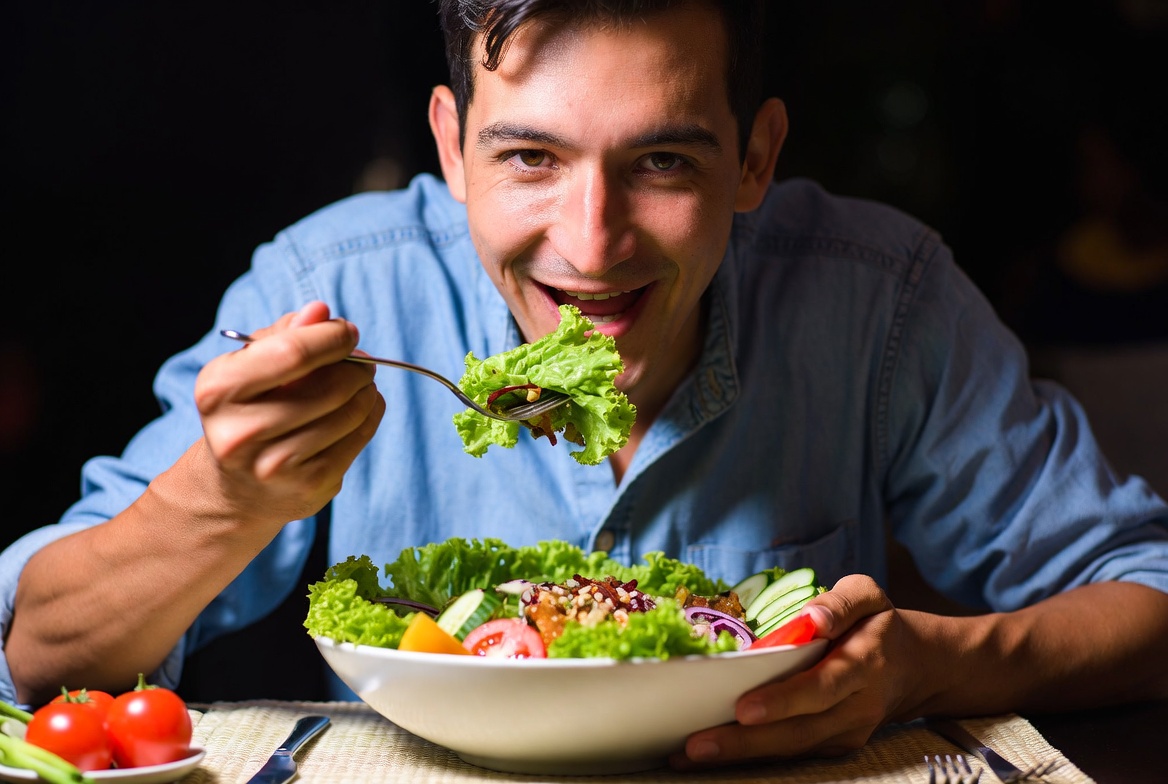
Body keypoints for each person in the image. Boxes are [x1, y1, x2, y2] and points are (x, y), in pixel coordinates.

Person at [3, 0, 1167, 770]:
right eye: (530, 158)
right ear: (451, 147)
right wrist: (223, 499)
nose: (593, 242)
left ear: (756, 155)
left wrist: (933, 661)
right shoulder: (332, 288)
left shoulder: (878, 298)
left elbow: (1145, 597)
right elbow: (32, 651)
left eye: (661, 161)